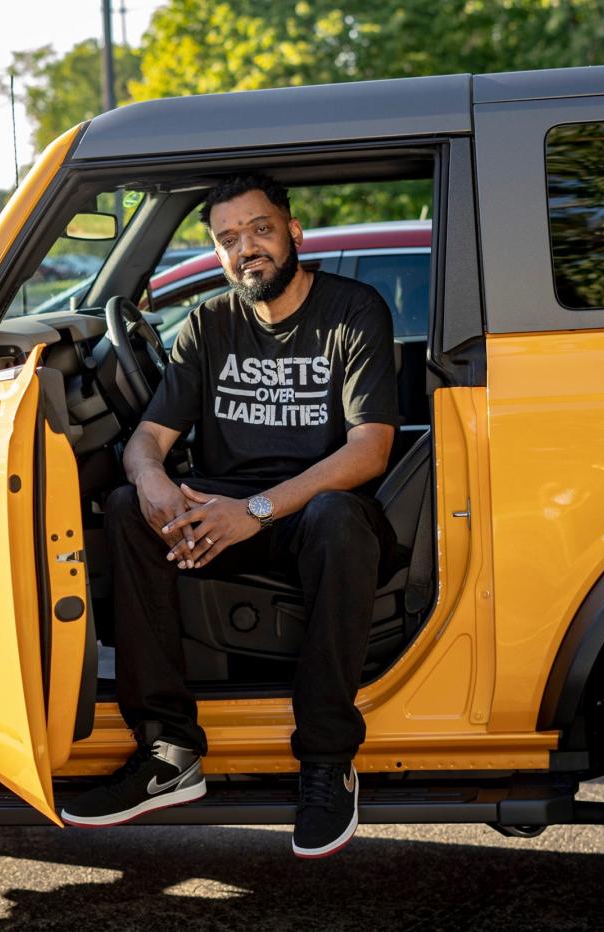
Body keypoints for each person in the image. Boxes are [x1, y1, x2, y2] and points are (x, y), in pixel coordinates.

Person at [61, 173, 400, 858]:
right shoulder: (210, 323)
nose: (246, 248)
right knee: (128, 508)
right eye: (227, 239)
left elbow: (370, 449)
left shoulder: (352, 310)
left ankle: (328, 758)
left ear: (294, 232)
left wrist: (258, 509)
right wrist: (154, 480)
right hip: (225, 513)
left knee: (340, 517)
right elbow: (148, 442)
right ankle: (169, 751)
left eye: (260, 229)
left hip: (309, 517)